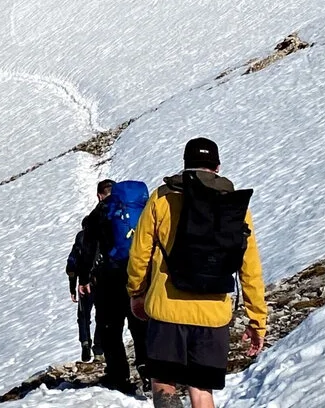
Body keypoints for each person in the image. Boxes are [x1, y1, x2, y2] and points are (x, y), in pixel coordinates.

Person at [126, 138, 267, 408]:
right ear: (217, 166)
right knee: (202, 390)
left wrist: (136, 292)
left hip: (167, 309)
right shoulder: (232, 205)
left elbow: (139, 253)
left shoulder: (163, 196)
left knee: (164, 382)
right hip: (213, 315)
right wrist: (257, 320)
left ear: (185, 164)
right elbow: (249, 267)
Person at [80, 179, 150, 395]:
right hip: (138, 276)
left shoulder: (99, 213)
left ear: (101, 195)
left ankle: (118, 377)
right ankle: (148, 373)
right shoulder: (142, 209)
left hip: (109, 280)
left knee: (110, 328)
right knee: (140, 327)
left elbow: (88, 247)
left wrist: (83, 279)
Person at [66, 226, 98, 362]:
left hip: (83, 286)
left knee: (83, 316)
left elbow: (71, 265)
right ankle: (99, 349)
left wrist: (72, 288)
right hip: (100, 282)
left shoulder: (79, 239)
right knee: (103, 316)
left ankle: (85, 342)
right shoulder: (99, 238)